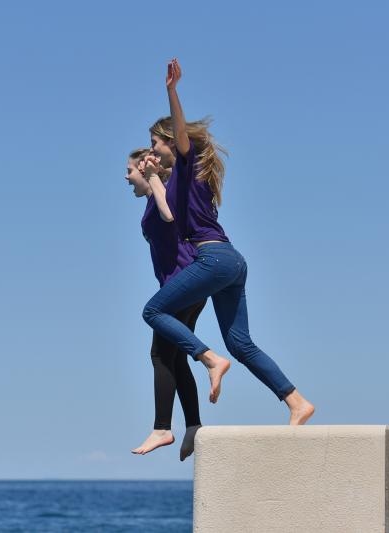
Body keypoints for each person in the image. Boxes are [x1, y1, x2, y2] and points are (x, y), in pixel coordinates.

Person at [141, 58, 314, 424]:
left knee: (153, 312)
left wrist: (171, 91)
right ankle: (297, 401)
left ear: (173, 141)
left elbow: (179, 135)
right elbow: (167, 211)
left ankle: (210, 358)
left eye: (156, 144)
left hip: (213, 259)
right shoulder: (179, 178)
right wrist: (154, 175)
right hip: (232, 261)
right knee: (241, 343)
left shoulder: (189, 163)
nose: (152, 151)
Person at [125, 148, 205, 460]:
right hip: (189, 286)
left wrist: (156, 176)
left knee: (159, 355)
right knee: (175, 358)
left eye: (130, 170)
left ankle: (162, 427)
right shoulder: (152, 197)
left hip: (181, 284)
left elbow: (170, 213)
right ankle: (194, 426)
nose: (126, 176)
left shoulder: (162, 190)